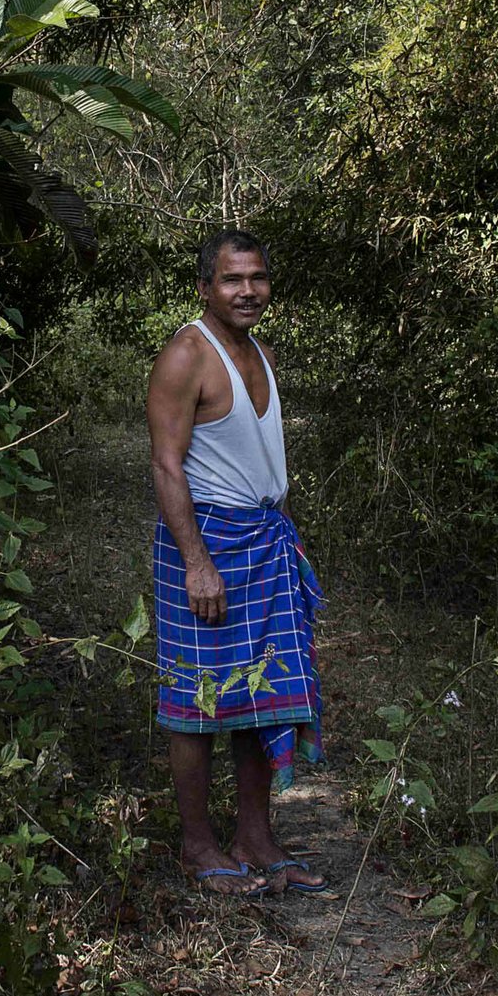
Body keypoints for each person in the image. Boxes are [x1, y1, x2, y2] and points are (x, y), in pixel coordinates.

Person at [145, 228, 330, 898]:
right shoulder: (186, 355)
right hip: (205, 540)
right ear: (205, 287)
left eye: (256, 278)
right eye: (231, 279)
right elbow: (167, 464)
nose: (247, 290)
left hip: (264, 539)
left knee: (260, 692)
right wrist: (196, 561)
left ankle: (255, 836)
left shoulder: (262, 353)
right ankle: (199, 844)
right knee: (196, 698)